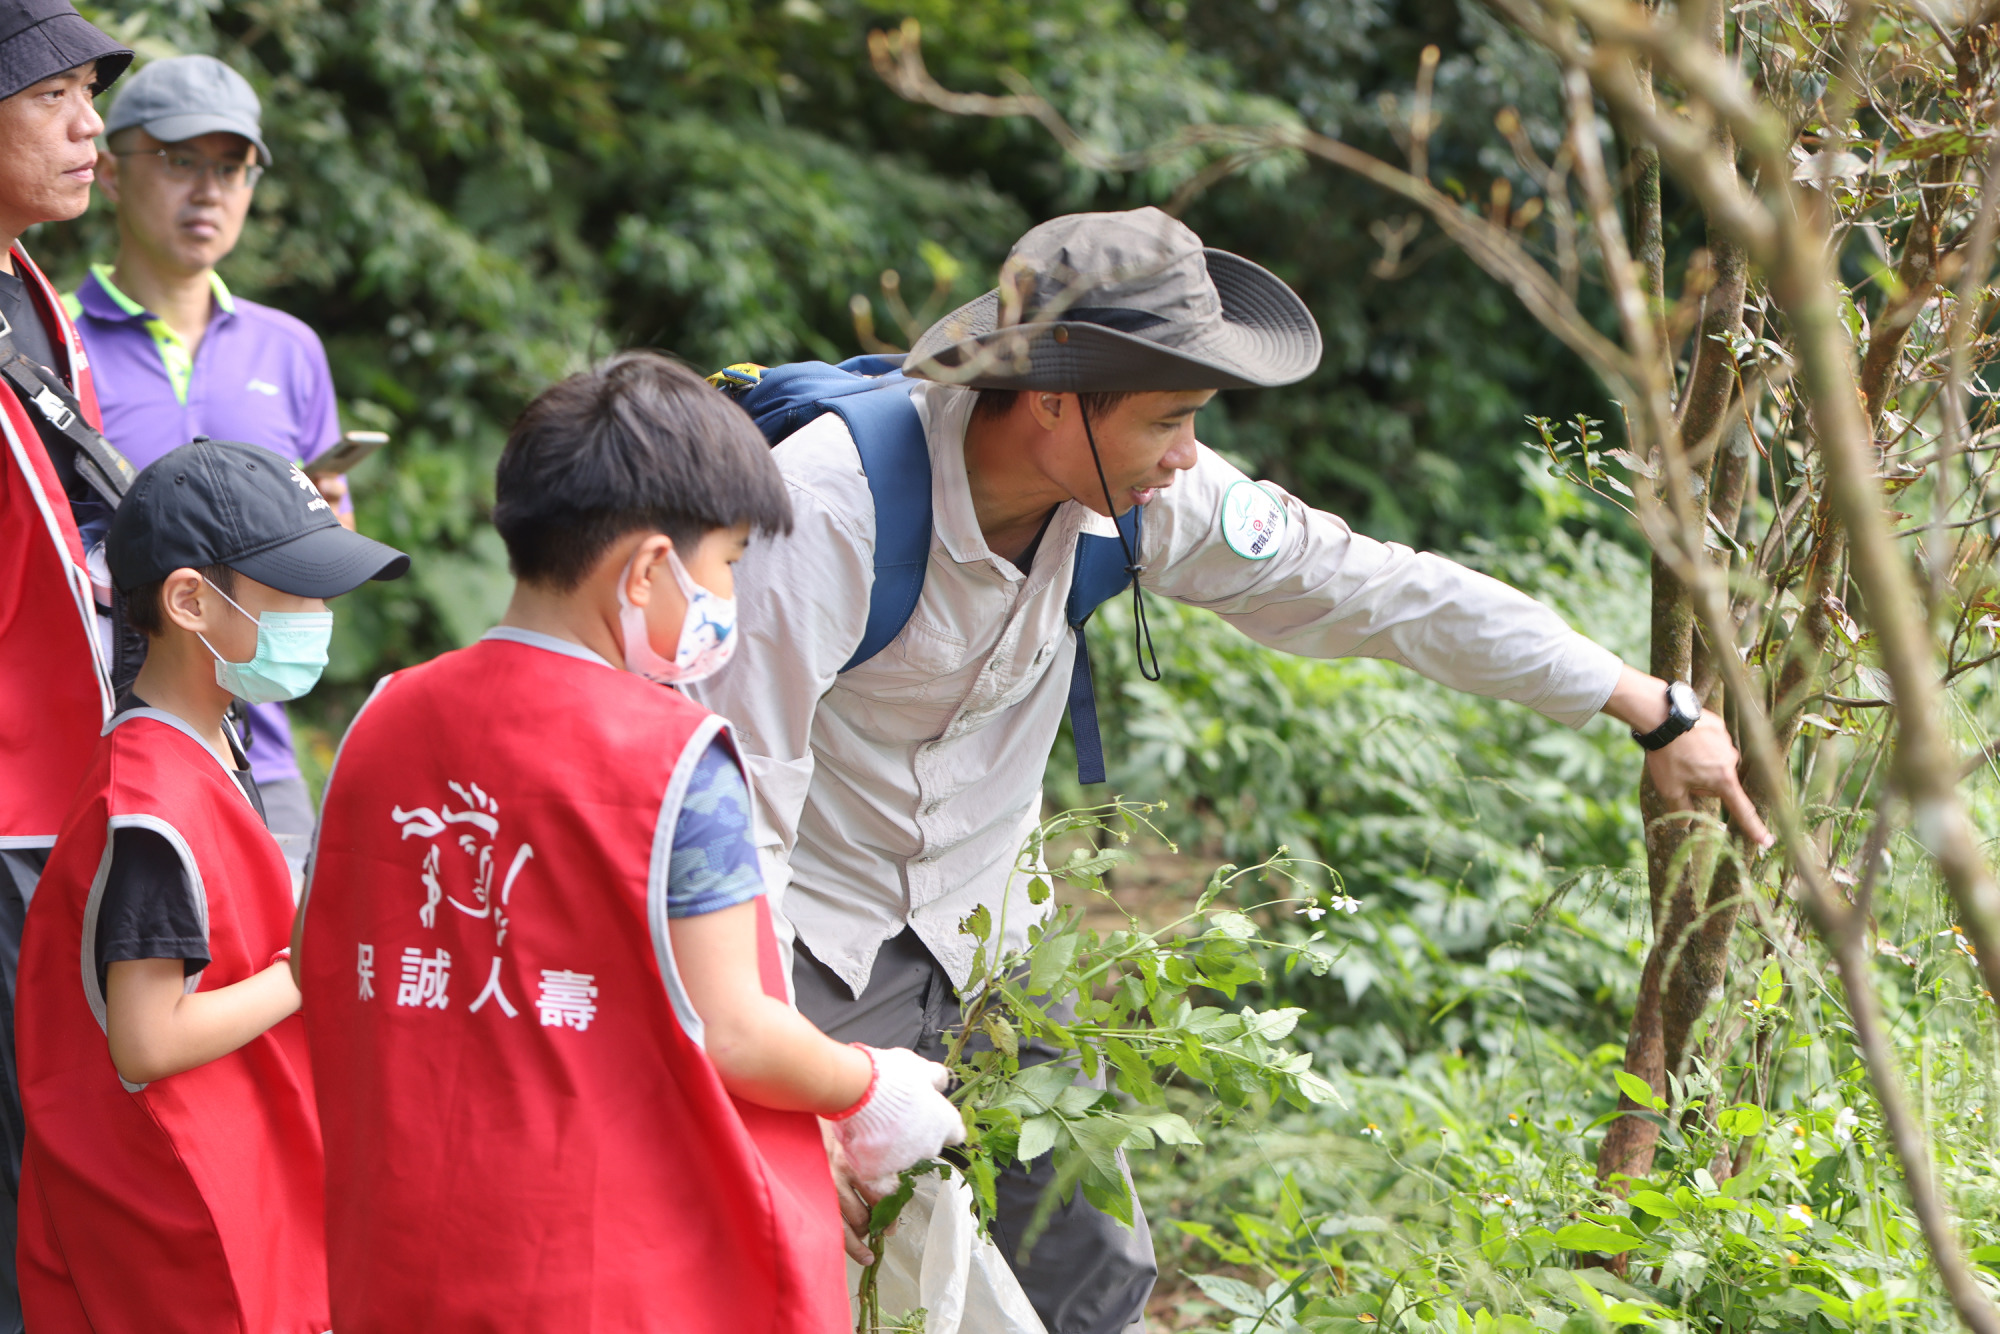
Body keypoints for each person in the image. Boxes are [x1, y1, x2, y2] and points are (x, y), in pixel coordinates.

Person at [687, 207, 1777, 1334]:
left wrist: (1643, 704)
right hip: (811, 932)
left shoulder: (1147, 496)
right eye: (1169, 419)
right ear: (1053, 398)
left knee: (1086, 1257)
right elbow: (730, 814)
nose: (1186, 454)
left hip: (986, 923)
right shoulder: (823, 512)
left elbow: (1376, 589)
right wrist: (789, 1083)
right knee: (824, 1259)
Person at [298, 351, 965, 1332]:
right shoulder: (674, 757)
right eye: (727, 562)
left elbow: (329, 963)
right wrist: (873, 1086)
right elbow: (735, 1030)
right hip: (610, 1274)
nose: (729, 591)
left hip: (406, 1253)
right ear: (651, 567)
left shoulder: (382, 720)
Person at [13, 436, 408, 1331]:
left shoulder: (209, 741)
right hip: (178, 1232)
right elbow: (147, 1040)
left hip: (234, 1185)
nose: (318, 615)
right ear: (190, 600)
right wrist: (303, 970)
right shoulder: (149, 804)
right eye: (296, 592)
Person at [70, 53, 353, 877]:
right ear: (111, 172)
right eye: (179, 160)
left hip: (262, 751)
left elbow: (328, 554)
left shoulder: (291, 348)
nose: (209, 191)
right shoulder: (50, 342)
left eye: (231, 168)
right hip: (96, 742)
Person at [0, 3, 131, 1326]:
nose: (91, 125)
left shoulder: (31, 289)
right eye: (52, 95)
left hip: (56, 794)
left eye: (89, 92)